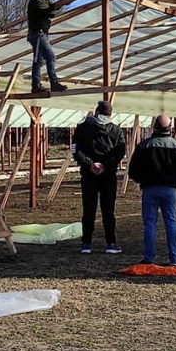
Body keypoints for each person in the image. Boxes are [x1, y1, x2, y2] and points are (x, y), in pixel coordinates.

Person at [128, 114, 176, 266]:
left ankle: (149, 258)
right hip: (170, 190)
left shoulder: (144, 146)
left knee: (149, 224)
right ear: (170, 128)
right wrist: (175, 180)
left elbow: (133, 170)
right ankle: (174, 258)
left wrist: (141, 180)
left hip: (149, 189)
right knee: (171, 222)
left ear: (154, 127)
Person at [72, 100, 126, 254]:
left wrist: (90, 164)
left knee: (88, 209)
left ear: (96, 112)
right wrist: (105, 165)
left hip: (88, 175)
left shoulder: (82, 128)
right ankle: (111, 243)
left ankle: (86, 244)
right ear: (110, 115)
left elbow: (76, 150)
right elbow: (120, 152)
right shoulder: (116, 131)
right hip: (108, 176)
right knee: (108, 210)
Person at [27, 0, 67, 94]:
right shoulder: (36, 1)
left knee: (38, 61)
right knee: (50, 56)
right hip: (38, 34)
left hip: (41, 34)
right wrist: (58, 5)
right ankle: (53, 82)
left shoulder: (43, 0)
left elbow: (51, 8)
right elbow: (48, 12)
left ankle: (36, 85)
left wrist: (61, 3)